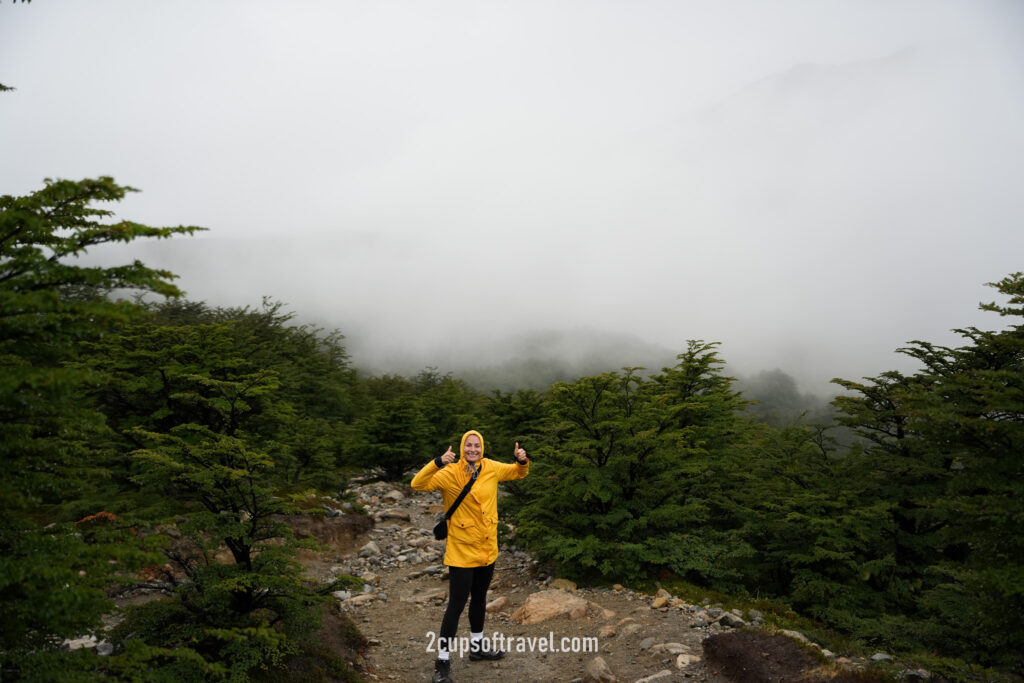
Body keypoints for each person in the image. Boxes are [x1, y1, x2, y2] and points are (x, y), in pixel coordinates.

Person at [411, 430, 529, 683]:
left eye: (476, 446)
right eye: (468, 445)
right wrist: (438, 462)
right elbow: (417, 484)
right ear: (462, 447)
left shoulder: (491, 467)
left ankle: (477, 648)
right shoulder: (450, 472)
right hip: (462, 551)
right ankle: (442, 662)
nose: (472, 450)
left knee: (480, 598)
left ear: (482, 448)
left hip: (488, 549)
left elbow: (518, 473)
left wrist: (521, 460)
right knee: (456, 605)